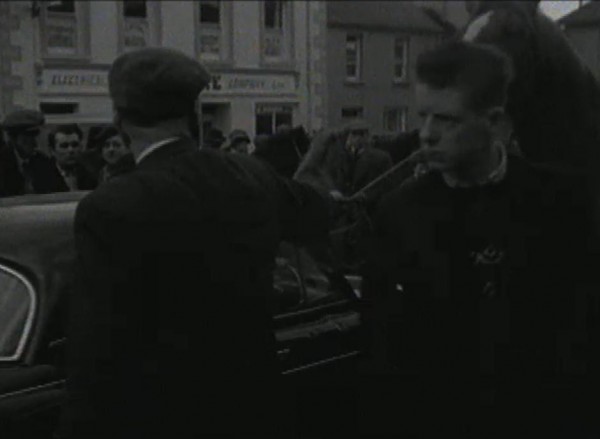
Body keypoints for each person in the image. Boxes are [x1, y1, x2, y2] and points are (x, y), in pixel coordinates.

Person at [59, 47, 335, 439]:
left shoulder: (111, 207)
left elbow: (95, 351)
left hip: (165, 419)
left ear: (120, 119)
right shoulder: (249, 174)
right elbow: (317, 212)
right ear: (192, 112)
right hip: (255, 409)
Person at [359, 41, 598, 438]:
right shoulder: (399, 212)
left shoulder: (562, 203)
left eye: (448, 120)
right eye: (424, 116)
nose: (427, 135)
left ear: (495, 121)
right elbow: (380, 352)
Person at [0, 109, 57, 197]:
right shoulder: (3, 163)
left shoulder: (43, 161)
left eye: (37, 134)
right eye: (29, 135)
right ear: (13, 138)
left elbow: (59, 191)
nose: (34, 141)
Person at [46, 124, 97, 191]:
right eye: (64, 146)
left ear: (81, 147)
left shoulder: (91, 175)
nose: (71, 150)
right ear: (52, 151)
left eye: (75, 145)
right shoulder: (43, 177)